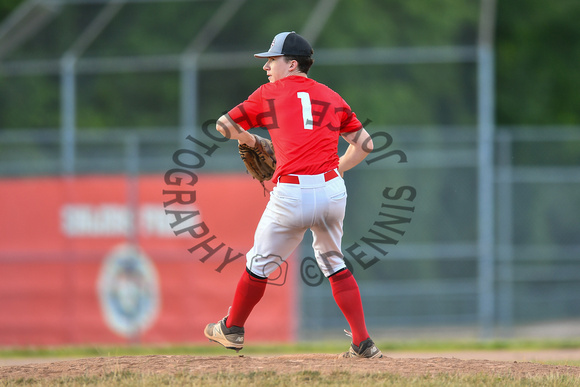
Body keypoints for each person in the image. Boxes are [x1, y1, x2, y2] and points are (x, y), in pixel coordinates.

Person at [204, 31, 382, 359]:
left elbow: (223, 125)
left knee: (259, 262)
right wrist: (339, 168)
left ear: (292, 63)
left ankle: (232, 328)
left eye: (273, 60)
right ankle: (362, 343)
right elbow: (366, 144)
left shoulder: (268, 94)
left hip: (291, 193)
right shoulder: (331, 95)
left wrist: (250, 139)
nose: (267, 67)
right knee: (332, 260)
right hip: (331, 190)